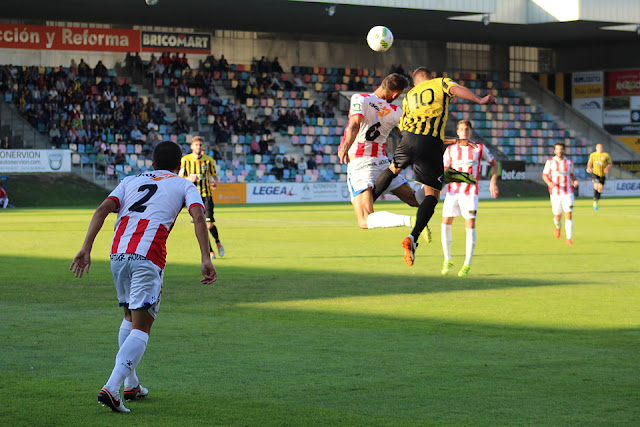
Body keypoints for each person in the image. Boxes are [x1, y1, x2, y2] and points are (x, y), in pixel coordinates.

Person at [69, 141, 217, 413]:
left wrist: (85, 248)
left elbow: (102, 209)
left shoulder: (130, 180)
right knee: (142, 326)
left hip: (118, 253)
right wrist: (206, 257)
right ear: (179, 165)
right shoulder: (184, 184)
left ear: (151, 163)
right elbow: (198, 216)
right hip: (147, 255)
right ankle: (112, 387)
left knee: (129, 316)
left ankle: (131, 384)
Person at [371, 67, 496, 266]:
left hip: (408, 140)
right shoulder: (440, 83)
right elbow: (456, 90)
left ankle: (368, 205)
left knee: (393, 169)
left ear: (415, 81)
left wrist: (453, 140)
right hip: (430, 143)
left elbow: (403, 127)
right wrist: (480, 100)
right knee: (432, 195)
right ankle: (413, 237)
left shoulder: (409, 96)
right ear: (431, 76)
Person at [338, 73, 424, 230]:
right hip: (384, 165)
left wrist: (344, 147)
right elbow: (415, 135)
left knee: (365, 220)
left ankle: (409, 221)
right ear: (395, 94)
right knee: (415, 200)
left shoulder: (360, 98)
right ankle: (442, 178)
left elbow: (354, 125)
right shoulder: (396, 111)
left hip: (361, 163)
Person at [440, 120, 499, 277]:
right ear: (458, 132)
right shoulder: (451, 149)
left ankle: (467, 263)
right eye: (461, 129)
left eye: (466, 129)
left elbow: (494, 164)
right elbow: (444, 170)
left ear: (470, 131)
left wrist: (493, 182)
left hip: (470, 192)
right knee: (445, 223)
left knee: (470, 224)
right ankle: (447, 259)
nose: (464, 132)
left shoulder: (479, 148)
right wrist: (441, 186)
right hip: (452, 192)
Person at [179, 136, 225, 259]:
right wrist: (190, 179)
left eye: (200, 145)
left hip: (206, 195)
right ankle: (210, 251)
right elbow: (179, 178)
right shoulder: (185, 160)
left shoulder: (209, 160)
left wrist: (215, 182)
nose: (198, 147)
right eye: (196, 145)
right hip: (192, 197)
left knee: (209, 225)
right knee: (200, 225)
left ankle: (218, 242)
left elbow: (215, 176)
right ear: (192, 146)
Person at [542, 142, 579, 245]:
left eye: (561, 149)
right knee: (557, 217)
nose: (559, 151)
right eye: (557, 149)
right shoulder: (550, 162)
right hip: (555, 193)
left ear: (564, 150)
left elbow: (571, 174)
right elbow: (544, 175)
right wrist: (549, 183)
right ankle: (558, 227)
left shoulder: (569, 162)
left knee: (569, 214)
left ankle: (569, 238)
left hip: (568, 192)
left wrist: (574, 181)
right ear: (555, 151)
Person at [586, 143, 612, 210]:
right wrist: (588, 167)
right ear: (596, 148)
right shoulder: (593, 155)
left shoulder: (606, 155)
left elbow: (610, 163)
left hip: (602, 174)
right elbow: (589, 162)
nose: (600, 148)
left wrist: (607, 168)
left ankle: (596, 200)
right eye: (598, 147)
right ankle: (595, 199)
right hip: (595, 173)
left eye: (601, 147)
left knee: (600, 188)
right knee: (596, 185)